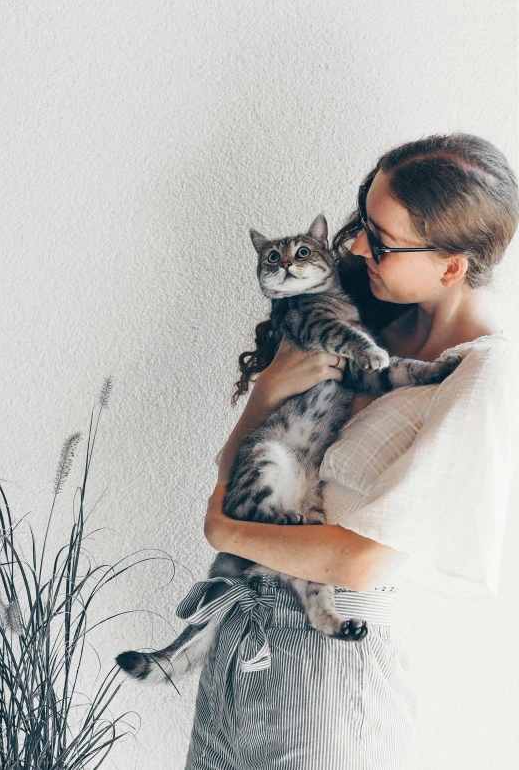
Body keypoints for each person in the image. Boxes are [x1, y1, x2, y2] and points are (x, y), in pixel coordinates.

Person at [184, 133, 519, 769]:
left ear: (452, 267)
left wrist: (222, 527)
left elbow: (360, 562)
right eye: (363, 222)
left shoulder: (485, 377)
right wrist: (267, 392)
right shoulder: (367, 321)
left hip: (327, 656)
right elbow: (236, 468)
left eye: (382, 241)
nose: (357, 246)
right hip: (243, 636)